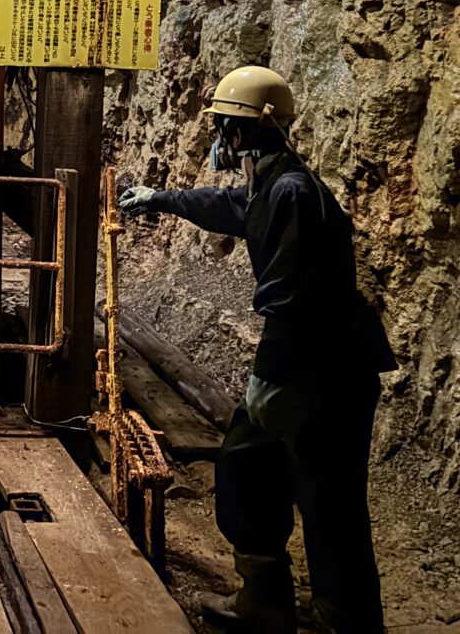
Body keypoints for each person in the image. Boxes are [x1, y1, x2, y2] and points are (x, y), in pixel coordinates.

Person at [119, 66, 395, 634]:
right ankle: (265, 601)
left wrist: (268, 378)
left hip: (323, 369)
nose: (218, 137)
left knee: (328, 499)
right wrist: (159, 198)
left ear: (241, 132)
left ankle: (345, 620)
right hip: (311, 362)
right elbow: (230, 206)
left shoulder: (292, 191)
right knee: (248, 470)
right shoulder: (276, 181)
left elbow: (289, 298)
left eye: (222, 125)